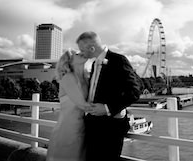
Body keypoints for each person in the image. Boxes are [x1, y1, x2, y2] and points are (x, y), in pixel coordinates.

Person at [76, 31, 142, 161]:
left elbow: (135, 91)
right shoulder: (95, 64)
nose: (81, 54)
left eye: (82, 50)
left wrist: (107, 108)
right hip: (93, 125)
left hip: (110, 128)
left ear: (92, 48)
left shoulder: (119, 60)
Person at [46, 49, 93, 161]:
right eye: (77, 54)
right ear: (69, 61)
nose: (82, 53)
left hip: (80, 127)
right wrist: (107, 109)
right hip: (68, 129)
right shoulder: (68, 78)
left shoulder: (85, 78)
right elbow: (82, 104)